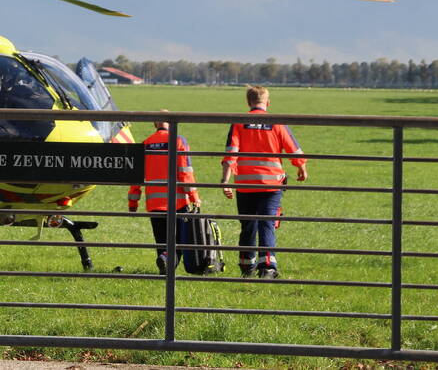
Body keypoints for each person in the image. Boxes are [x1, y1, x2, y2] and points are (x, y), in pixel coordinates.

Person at [220, 85, 308, 279]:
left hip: (245, 184)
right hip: (271, 183)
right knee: (267, 223)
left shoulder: (239, 123)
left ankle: (246, 265)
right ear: (267, 103)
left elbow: (231, 152)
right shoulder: (276, 122)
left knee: (248, 224)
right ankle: (267, 266)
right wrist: (301, 167)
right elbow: (294, 149)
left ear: (248, 103)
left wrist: (225, 180)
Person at [128, 113, 201, 274]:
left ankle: (164, 266)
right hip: (178, 202)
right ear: (172, 124)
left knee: (161, 240)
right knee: (179, 241)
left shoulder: (146, 143)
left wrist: (133, 202)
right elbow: (185, 172)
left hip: (154, 204)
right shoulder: (178, 140)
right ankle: (167, 263)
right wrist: (194, 196)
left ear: (155, 124)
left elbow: (137, 177)